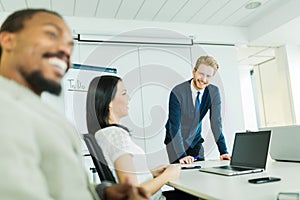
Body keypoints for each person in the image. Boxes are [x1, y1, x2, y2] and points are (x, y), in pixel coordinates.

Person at [0, 8, 149, 200]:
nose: (65, 51)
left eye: (70, 46)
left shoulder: (37, 110)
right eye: (51, 35)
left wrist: (102, 192)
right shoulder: (6, 108)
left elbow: (59, 186)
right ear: (8, 40)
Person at [86, 75, 198, 200]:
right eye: (124, 93)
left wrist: (152, 173)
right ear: (109, 103)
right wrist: (167, 175)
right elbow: (132, 192)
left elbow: (125, 178)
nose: (129, 98)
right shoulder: (115, 135)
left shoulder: (103, 134)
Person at [164, 56, 231, 164]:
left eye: (208, 76)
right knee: (181, 174)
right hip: (175, 142)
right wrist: (182, 156)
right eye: (201, 74)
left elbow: (216, 123)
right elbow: (174, 126)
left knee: (200, 173)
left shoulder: (213, 92)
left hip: (195, 141)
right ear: (194, 72)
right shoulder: (177, 91)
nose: (204, 80)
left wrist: (223, 151)